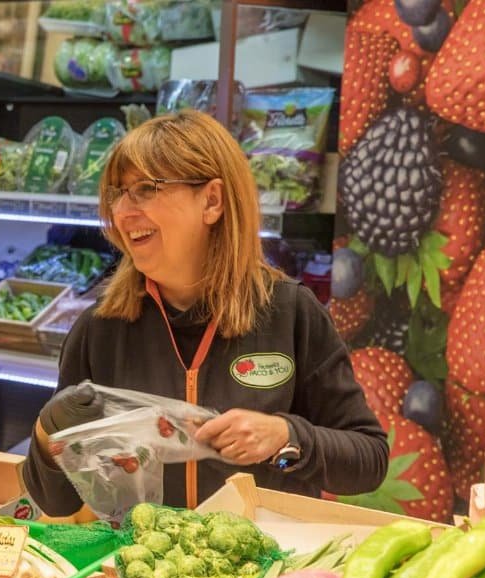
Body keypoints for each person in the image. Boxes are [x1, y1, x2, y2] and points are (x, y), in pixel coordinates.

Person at [23, 110, 388, 516]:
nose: (123, 212)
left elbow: (369, 460)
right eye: (116, 193)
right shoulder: (100, 328)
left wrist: (285, 437)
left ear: (211, 201)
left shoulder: (291, 313)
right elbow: (56, 502)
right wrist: (46, 432)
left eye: (145, 189)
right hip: (143, 568)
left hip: (266, 567)